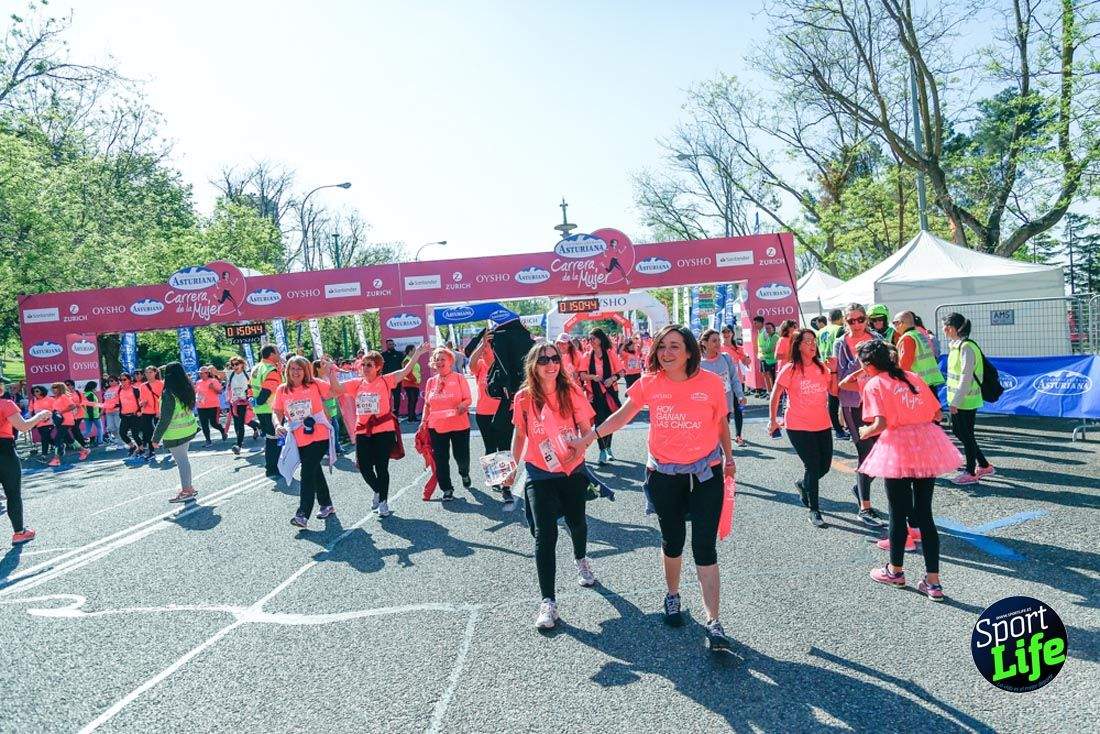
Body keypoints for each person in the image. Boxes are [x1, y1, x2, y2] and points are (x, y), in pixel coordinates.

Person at [570, 325, 735, 652]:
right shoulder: (650, 383)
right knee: (673, 542)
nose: (667, 352)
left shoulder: (711, 383)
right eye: (662, 346)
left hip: (706, 473)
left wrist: (729, 458)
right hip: (664, 475)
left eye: (675, 346)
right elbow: (621, 417)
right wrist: (588, 439)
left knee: (704, 546)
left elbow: (720, 423)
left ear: (689, 351)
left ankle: (713, 622)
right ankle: (672, 595)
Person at [856, 340, 960, 601]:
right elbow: (937, 414)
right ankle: (933, 582)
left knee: (897, 513)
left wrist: (864, 431)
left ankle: (896, 572)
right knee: (925, 515)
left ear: (868, 364)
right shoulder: (912, 377)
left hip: (897, 447)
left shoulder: (874, 384)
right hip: (926, 444)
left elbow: (880, 423)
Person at [507, 342, 599, 628]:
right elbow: (520, 435)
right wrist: (511, 467)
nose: (551, 364)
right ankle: (548, 602)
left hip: (572, 471)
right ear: (533, 365)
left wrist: (579, 448)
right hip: (539, 473)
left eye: (555, 358)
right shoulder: (523, 398)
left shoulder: (571, 391)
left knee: (577, 524)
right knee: (544, 535)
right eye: (544, 359)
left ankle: (581, 559)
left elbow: (588, 431)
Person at [330, 344, 428, 517]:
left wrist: (417, 354)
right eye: (363, 364)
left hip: (384, 430)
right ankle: (377, 490)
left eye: (369, 365)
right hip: (363, 431)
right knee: (364, 467)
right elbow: (336, 389)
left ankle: (383, 502)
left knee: (382, 467)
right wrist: (330, 371)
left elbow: (405, 371)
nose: (365, 368)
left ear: (378, 367)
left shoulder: (385, 380)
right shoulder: (356, 383)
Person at [767, 328, 836, 528]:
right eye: (807, 341)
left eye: (813, 341)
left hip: (822, 423)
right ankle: (814, 510)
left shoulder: (822, 367)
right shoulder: (790, 368)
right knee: (812, 466)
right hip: (798, 425)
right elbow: (775, 394)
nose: (812, 344)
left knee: (824, 467)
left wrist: (833, 371)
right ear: (798, 345)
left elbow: (833, 392)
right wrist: (773, 420)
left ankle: (803, 484)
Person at [834, 303, 886, 528]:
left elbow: (886, 369)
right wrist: (861, 359)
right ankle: (864, 508)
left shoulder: (877, 339)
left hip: (878, 404)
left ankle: (860, 485)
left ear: (867, 319)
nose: (856, 324)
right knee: (865, 453)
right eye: (851, 320)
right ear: (845, 322)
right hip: (853, 404)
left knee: (881, 453)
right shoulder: (840, 343)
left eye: (860, 319)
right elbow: (841, 377)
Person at [274, 356, 337, 528]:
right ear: (287, 370)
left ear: (306, 371)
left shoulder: (315, 384)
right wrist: (278, 424)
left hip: (319, 435)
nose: (296, 372)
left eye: (299, 368)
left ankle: (302, 514)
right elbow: (277, 411)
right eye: (292, 368)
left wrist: (331, 372)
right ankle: (326, 504)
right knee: (314, 470)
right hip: (298, 439)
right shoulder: (282, 390)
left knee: (307, 473)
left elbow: (335, 391)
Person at [943, 313, 993, 485]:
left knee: (967, 435)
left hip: (966, 401)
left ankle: (971, 472)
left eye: (947, 326)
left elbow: (966, 377)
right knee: (961, 433)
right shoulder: (957, 346)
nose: (944, 329)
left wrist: (956, 402)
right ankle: (984, 465)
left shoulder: (966, 347)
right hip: (960, 400)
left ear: (955, 328)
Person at [422, 348, 473, 501]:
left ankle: (464, 473)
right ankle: (447, 489)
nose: (439, 362)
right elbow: (427, 404)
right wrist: (423, 421)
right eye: (436, 359)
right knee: (441, 459)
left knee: (462, 457)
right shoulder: (431, 382)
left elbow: (468, 399)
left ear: (450, 361)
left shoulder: (459, 378)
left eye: (442, 359)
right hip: (437, 426)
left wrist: (463, 405)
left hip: (459, 425)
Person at [469, 333, 514, 504]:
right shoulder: (480, 365)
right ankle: (495, 478)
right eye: (486, 346)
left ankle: (506, 487)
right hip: (483, 414)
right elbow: (471, 363)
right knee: (490, 447)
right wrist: (482, 344)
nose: (488, 349)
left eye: (491, 345)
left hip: (505, 412)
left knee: (504, 448)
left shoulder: (505, 365)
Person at [1, 398, 52, 544]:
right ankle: (19, 533)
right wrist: (40, 415)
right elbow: (23, 426)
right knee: (12, 493)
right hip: (4, 451)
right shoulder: (5, 404)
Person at [149, 362, 201, 502]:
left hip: (175, 433)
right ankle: (188, 487)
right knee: (184, 460)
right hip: (189, 428)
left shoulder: (168, 393)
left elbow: (165, 418)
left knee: (182, 462)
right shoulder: (187, 387)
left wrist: (155, 438)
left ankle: (186, 490)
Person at [577, 328, 624, 464]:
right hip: (595, 394)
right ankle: (602, 451)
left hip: (610, 392)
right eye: (589, 339)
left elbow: (622, 372)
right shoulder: (587, 356)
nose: (590, 341)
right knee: (599, 422)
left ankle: (608, 448)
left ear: (600, 339)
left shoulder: (610, 353)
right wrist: (593, 377)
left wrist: (612, 378)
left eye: (593, 338)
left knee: (610, 421)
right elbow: (581, 375)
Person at [700, 328, 746, 447]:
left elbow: (734, 378)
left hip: (725, 402)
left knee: (721, 430)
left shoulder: (726, 358)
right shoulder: (699, 363)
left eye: (718, 340)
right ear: (704, 343)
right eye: (714, 341)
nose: (718, 343)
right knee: (711, 432)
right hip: (706, 405)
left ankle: (719, 451)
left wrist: (740, 395)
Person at [251, 346, 284, 478]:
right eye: (277, 352)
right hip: (271, 409)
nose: (279, 354)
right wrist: (259, 401)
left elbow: (249, 388)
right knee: (274, 440)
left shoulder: (256, 367)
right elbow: (266, 392)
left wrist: (254, 401)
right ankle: (273, 469)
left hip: (260, 410)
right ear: (271, 354)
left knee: (271, 439)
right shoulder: (271, 370)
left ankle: (273, 468)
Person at [816, 309, 849, 440]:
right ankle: (846, 427)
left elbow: (817, 351)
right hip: (838, 368)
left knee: (832, 400)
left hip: (825, 367)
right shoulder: (840, 329)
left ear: (829, 318)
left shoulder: (820, 331)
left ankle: (837, 429)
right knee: (845, 399)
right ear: (841, 318)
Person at [893, 311, 945, 390]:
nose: (894, 326)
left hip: (918, 384)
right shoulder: (918, 334)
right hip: (929, 381)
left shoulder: (907, 338)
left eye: (895, 323)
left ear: (901, 323)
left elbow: (904, 365)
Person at [47, 382, 89, 467]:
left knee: (57, 439)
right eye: (53, 388)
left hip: (66, 420)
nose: (53, 390)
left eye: (56, 388)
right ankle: (84, 450)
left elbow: (72, 406)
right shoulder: (56, 398)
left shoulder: (63, 396)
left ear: (60, 388)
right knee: (69, 439)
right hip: (60, 421)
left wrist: (61, 412)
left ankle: (56, 459)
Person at [226, 358, 256, 455]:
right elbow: (218, 373)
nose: (234, 366)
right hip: (234, 403)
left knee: (241, 423)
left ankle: (238, 445)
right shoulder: (231, 374)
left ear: (242, 364)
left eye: (236, 364)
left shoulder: (247, 375)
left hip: (244, 402)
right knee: (238, 423)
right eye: (232, 365)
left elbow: (252, 387)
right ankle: (257, 427)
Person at [195, 366, 227, 446]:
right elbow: (196, 392)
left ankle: (222, 430)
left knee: (214, 423)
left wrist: (213, 388)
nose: (201, 375)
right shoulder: (198, 382)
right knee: (204, 424)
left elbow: (220, 392)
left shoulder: (213, 381)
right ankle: (208, 441)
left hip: (213, 406)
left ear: (207, 373)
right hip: (201, 406)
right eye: (199, 373)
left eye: (202, 373)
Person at [137, 366, 163, 460]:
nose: (148, 374)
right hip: (146, 411)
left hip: (158, 410)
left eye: (150, 372)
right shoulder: (143, 386)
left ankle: (168, 444)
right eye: (146, 373)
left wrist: (159, 411)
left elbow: (163, 398)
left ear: (155, 373)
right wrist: (141, 403)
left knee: (162, 429)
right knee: (147, 432)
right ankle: (151, 451)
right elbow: (142, 399)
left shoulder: (161, 384)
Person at [116, 373, 143, 456]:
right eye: (120, 380)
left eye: (124, 379)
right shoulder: (119, 390)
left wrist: (140, 411)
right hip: (124, 416)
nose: (122, 381)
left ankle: (141, 449)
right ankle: (133, 446)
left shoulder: (135, 390)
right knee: (122, 433)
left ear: (129, 380)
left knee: (135, 434)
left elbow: (141, 401)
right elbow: (119, 402)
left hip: (134, 415)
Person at [28, 386, 53, 459]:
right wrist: (30, 420)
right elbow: (30, 411)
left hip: (49, 421)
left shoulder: (50, 399)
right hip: (38, 422)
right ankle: (58, 445)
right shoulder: (33, 400)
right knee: (46, 437)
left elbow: (55, 409)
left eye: (37, 391)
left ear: (42, 391)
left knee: (44, 437)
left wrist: (48, 417)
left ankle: (44, 454)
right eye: (34, 392)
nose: (35, 393)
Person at [380, 339, 405, 415]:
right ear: (386, 345)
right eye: (389, 344)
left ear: (394, 345)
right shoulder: (382, 355)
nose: (391, 345)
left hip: (396, 379)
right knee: (386, 397)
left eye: (392, 344)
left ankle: (396, 413)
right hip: (385, 380)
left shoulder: (400, 354)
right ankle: (387, 413)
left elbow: (403, 366)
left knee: (397, 397)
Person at [756, 321, 779, 394]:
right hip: (767, 359)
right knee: (767, 375)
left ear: (773, 328)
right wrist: (764, 350)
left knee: (772, 377)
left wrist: (763, 350)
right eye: (766, 329)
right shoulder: (769, 336)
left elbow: (769, 348)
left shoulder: (775, 337)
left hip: (772, 360)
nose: (767, 330)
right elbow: (766, 347)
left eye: (769, 328)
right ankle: (770, 392)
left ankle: (773, 393)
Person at [401, 344, 422, 422]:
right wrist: (415, 379)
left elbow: (416, 370)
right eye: (414, 350)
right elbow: (407, 372)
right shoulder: (407, 360)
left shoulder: (412, 359)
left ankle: (413, 416)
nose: (415, 351)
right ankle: (410, 417)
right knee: (412, 400)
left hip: (415, 383)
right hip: (409, 383)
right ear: (410, 351)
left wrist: (417, 379)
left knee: (414, 400)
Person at [101, 376, 121, 448]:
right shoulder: (108, 390)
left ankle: (121, 443)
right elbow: (105, 402)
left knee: (118, 427)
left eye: (112, 381)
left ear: (117, 381)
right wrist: (102, 411)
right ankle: (119, 439)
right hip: (108, 411)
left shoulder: (120, 388)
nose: (110, 382)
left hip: (117, 411)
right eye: (109, 381)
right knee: (110, 428)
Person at [82, 381, 104, 446]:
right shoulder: (90, 394)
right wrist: (91, 416)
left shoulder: (85, 394)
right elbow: (90, 406)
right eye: (95, 387)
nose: (96, 388)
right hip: (94, 415)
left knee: (88, 430)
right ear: (93, 387)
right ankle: (100, 442)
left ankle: (78, 438)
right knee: (99, 428)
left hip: (87, 415)